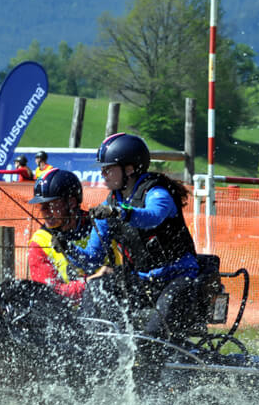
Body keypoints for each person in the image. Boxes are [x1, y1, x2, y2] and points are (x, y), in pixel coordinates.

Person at [65, 132, 201, 341]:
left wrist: (120, 213)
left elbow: (153, 217)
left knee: (152, 337)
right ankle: (86, 341)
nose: (103, 174)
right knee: (97, 286)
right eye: (102, 169)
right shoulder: (109, 204)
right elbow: (92, 258)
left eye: (108, 168)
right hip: (143, 281)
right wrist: (67, 247)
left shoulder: (157, 193)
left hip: (178, 278)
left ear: (129, 169)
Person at [27, 169, 118, 302]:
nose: (44, 211)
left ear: (72, 203)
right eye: (42, 206)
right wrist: (91, 281)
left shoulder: (101, 223)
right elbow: (50, 293)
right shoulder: (39, 242)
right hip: (72, 311)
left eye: (51, 205)